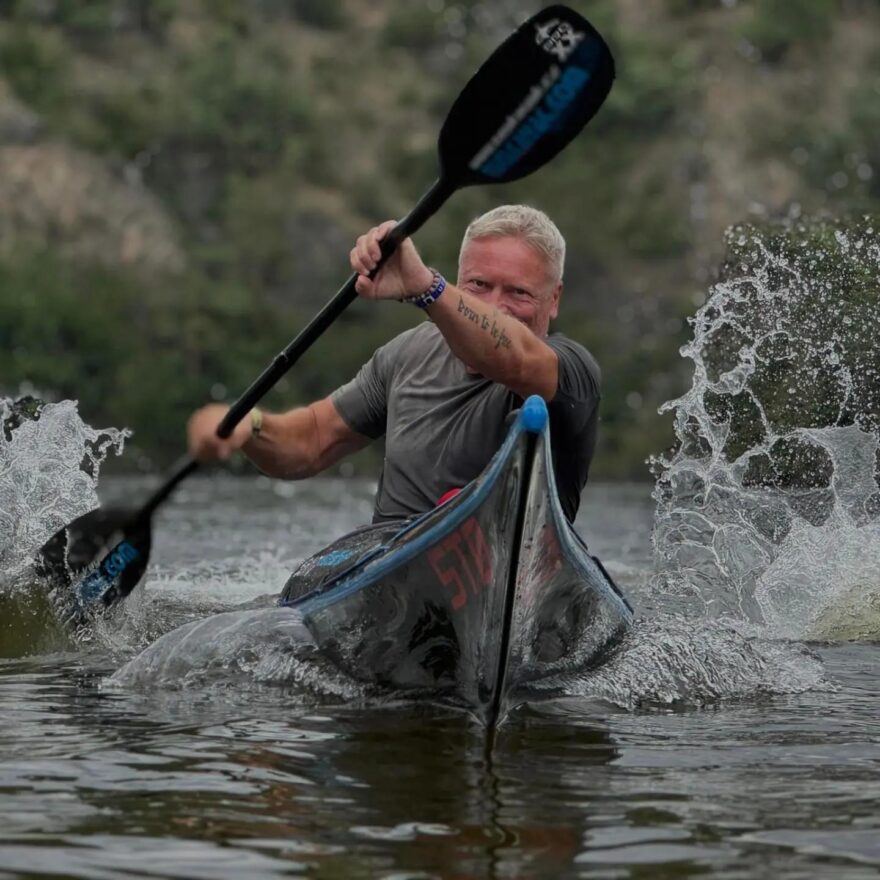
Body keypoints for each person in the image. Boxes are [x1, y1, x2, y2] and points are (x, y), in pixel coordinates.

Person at [187, 205, 600, 524]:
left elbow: (514, 359)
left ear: (555, 299)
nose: (493, 305)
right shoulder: (407, 354)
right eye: (477, 285)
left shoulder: (571, 372)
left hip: (523, 569)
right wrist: (249, 426)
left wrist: (426, 288)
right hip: (392, 575)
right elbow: (311, 440)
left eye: (519, 292)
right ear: (460, 280)